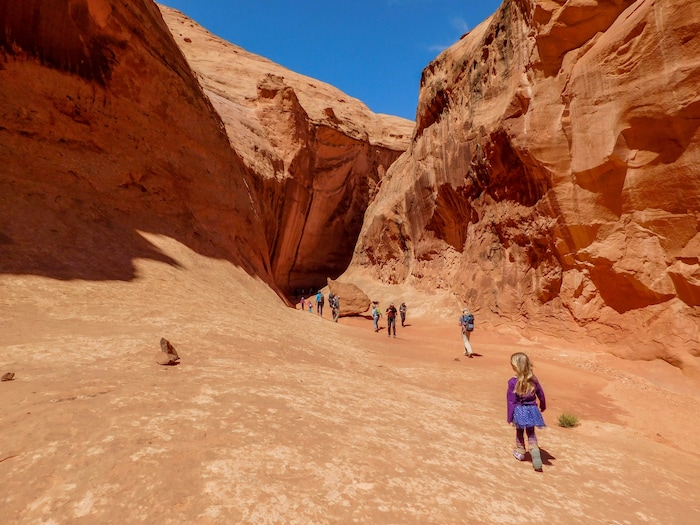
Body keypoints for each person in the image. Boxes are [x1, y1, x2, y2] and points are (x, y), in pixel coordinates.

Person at [507, 352, 547, 471]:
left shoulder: (512, 382)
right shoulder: (533, 379)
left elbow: (511, 401)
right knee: (531, 433)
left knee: (520, 431)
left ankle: (520, 451)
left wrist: (510, 416)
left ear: (514, 366)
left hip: (520, 410)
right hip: (532, 410)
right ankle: (535, 451)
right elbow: (541, 393)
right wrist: (543, 405)